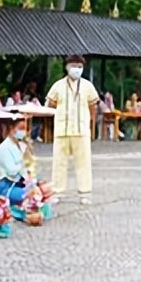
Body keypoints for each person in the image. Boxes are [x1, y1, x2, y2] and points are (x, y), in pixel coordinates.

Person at [44, 54, 99, 204]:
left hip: (81, 129)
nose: (76, 69)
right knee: (59, 162)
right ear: (67, 67)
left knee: (83, 162)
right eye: (74, 66)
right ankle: (57, 192)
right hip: (62, 129)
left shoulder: (88, 85)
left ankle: (85, 193)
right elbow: (50, 105)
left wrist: (91, 124)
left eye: (80, 67)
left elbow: (93, 105)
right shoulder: (58, 85)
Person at [0, 117, 54, 222]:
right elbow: (12, 171)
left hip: (24, 183)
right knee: (32, 194)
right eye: (21, 128)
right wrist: (23, 162)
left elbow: (30, 167)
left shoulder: (22, 145)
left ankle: (32, 208)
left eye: (25, 129)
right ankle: (18, 210)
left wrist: (35, 179)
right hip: (9, 185)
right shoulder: (4, 148)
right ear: (12, 129)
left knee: (46, 189)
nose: (23, 132)